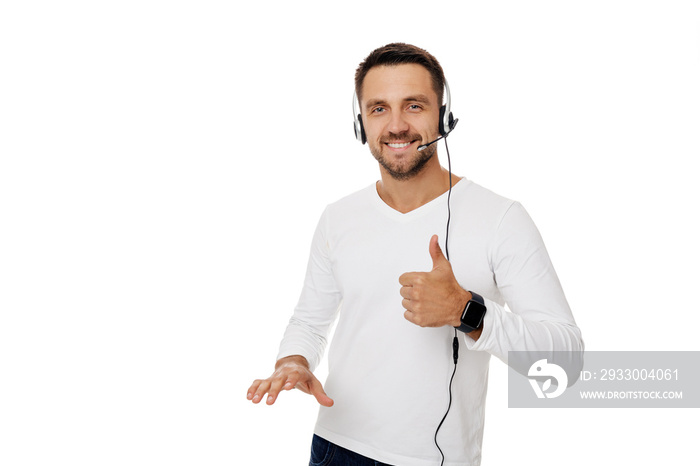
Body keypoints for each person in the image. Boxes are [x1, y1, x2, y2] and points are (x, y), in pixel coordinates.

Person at [247, 43, 583, 466]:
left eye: (414, 105)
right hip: (336, 448)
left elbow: (566, 358)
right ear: (361, 124)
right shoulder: (338, 217)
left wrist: (468, 312)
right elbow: (309, 321)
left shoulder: (501, 219)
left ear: (444, 116)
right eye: (379, 109)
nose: (397, 125)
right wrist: (292, 360)